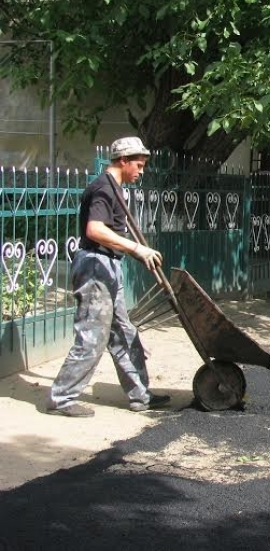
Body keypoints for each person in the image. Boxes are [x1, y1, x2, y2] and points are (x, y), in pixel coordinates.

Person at [47, 137, 170, 418]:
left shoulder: (116, 188)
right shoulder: (103, 188)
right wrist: (136, 247)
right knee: (92, 336)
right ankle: (61, 399)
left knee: (124, 333)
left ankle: (141, 395)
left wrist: (135, 252)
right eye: (138, 165)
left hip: (109, 264)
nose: (141, 171)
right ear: (123, 161)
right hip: (95, 266)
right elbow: (95, 230)